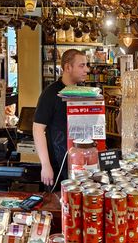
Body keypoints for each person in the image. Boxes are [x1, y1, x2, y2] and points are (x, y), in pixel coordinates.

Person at [33, 49, 89, 187]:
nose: (87, 70)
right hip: (57, 164)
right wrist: (45, 165)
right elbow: (38, 129)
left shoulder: (83, 92)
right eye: (81, 65)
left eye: (86, 65)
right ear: (68, 67)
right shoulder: (50, 93)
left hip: (80, 163)